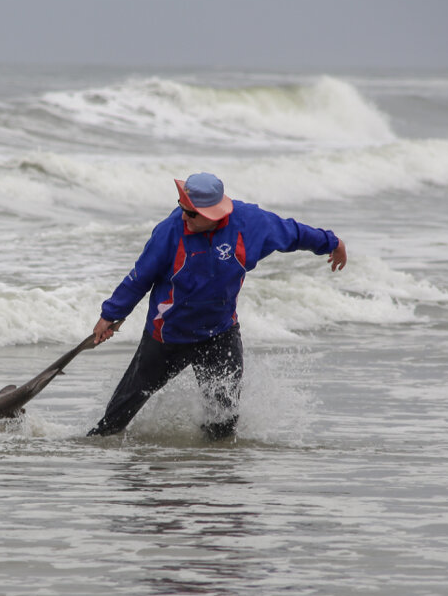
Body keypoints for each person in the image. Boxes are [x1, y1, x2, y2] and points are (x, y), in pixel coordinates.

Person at [87, 172, 346, 439]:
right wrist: (111, 315)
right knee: (113, 422)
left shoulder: (250, 223)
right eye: (182, 207)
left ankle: (212, 472)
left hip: (219, 335)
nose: (183, 216)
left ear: (213, 214)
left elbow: (293, 233)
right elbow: (139, 277)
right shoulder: (169, 232)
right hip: (167, 337)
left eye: (191, 212)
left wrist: (332, 243)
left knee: (223, 426)